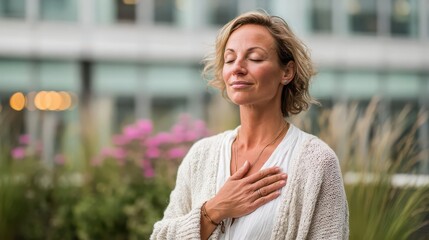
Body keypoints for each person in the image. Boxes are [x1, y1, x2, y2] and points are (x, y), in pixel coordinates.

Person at [151, 10, 349, 240]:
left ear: (287, 72)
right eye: (230, 59)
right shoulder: (201, 156)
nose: (237, 68)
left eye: (254, 58)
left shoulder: (316, 162)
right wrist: (214, 210)